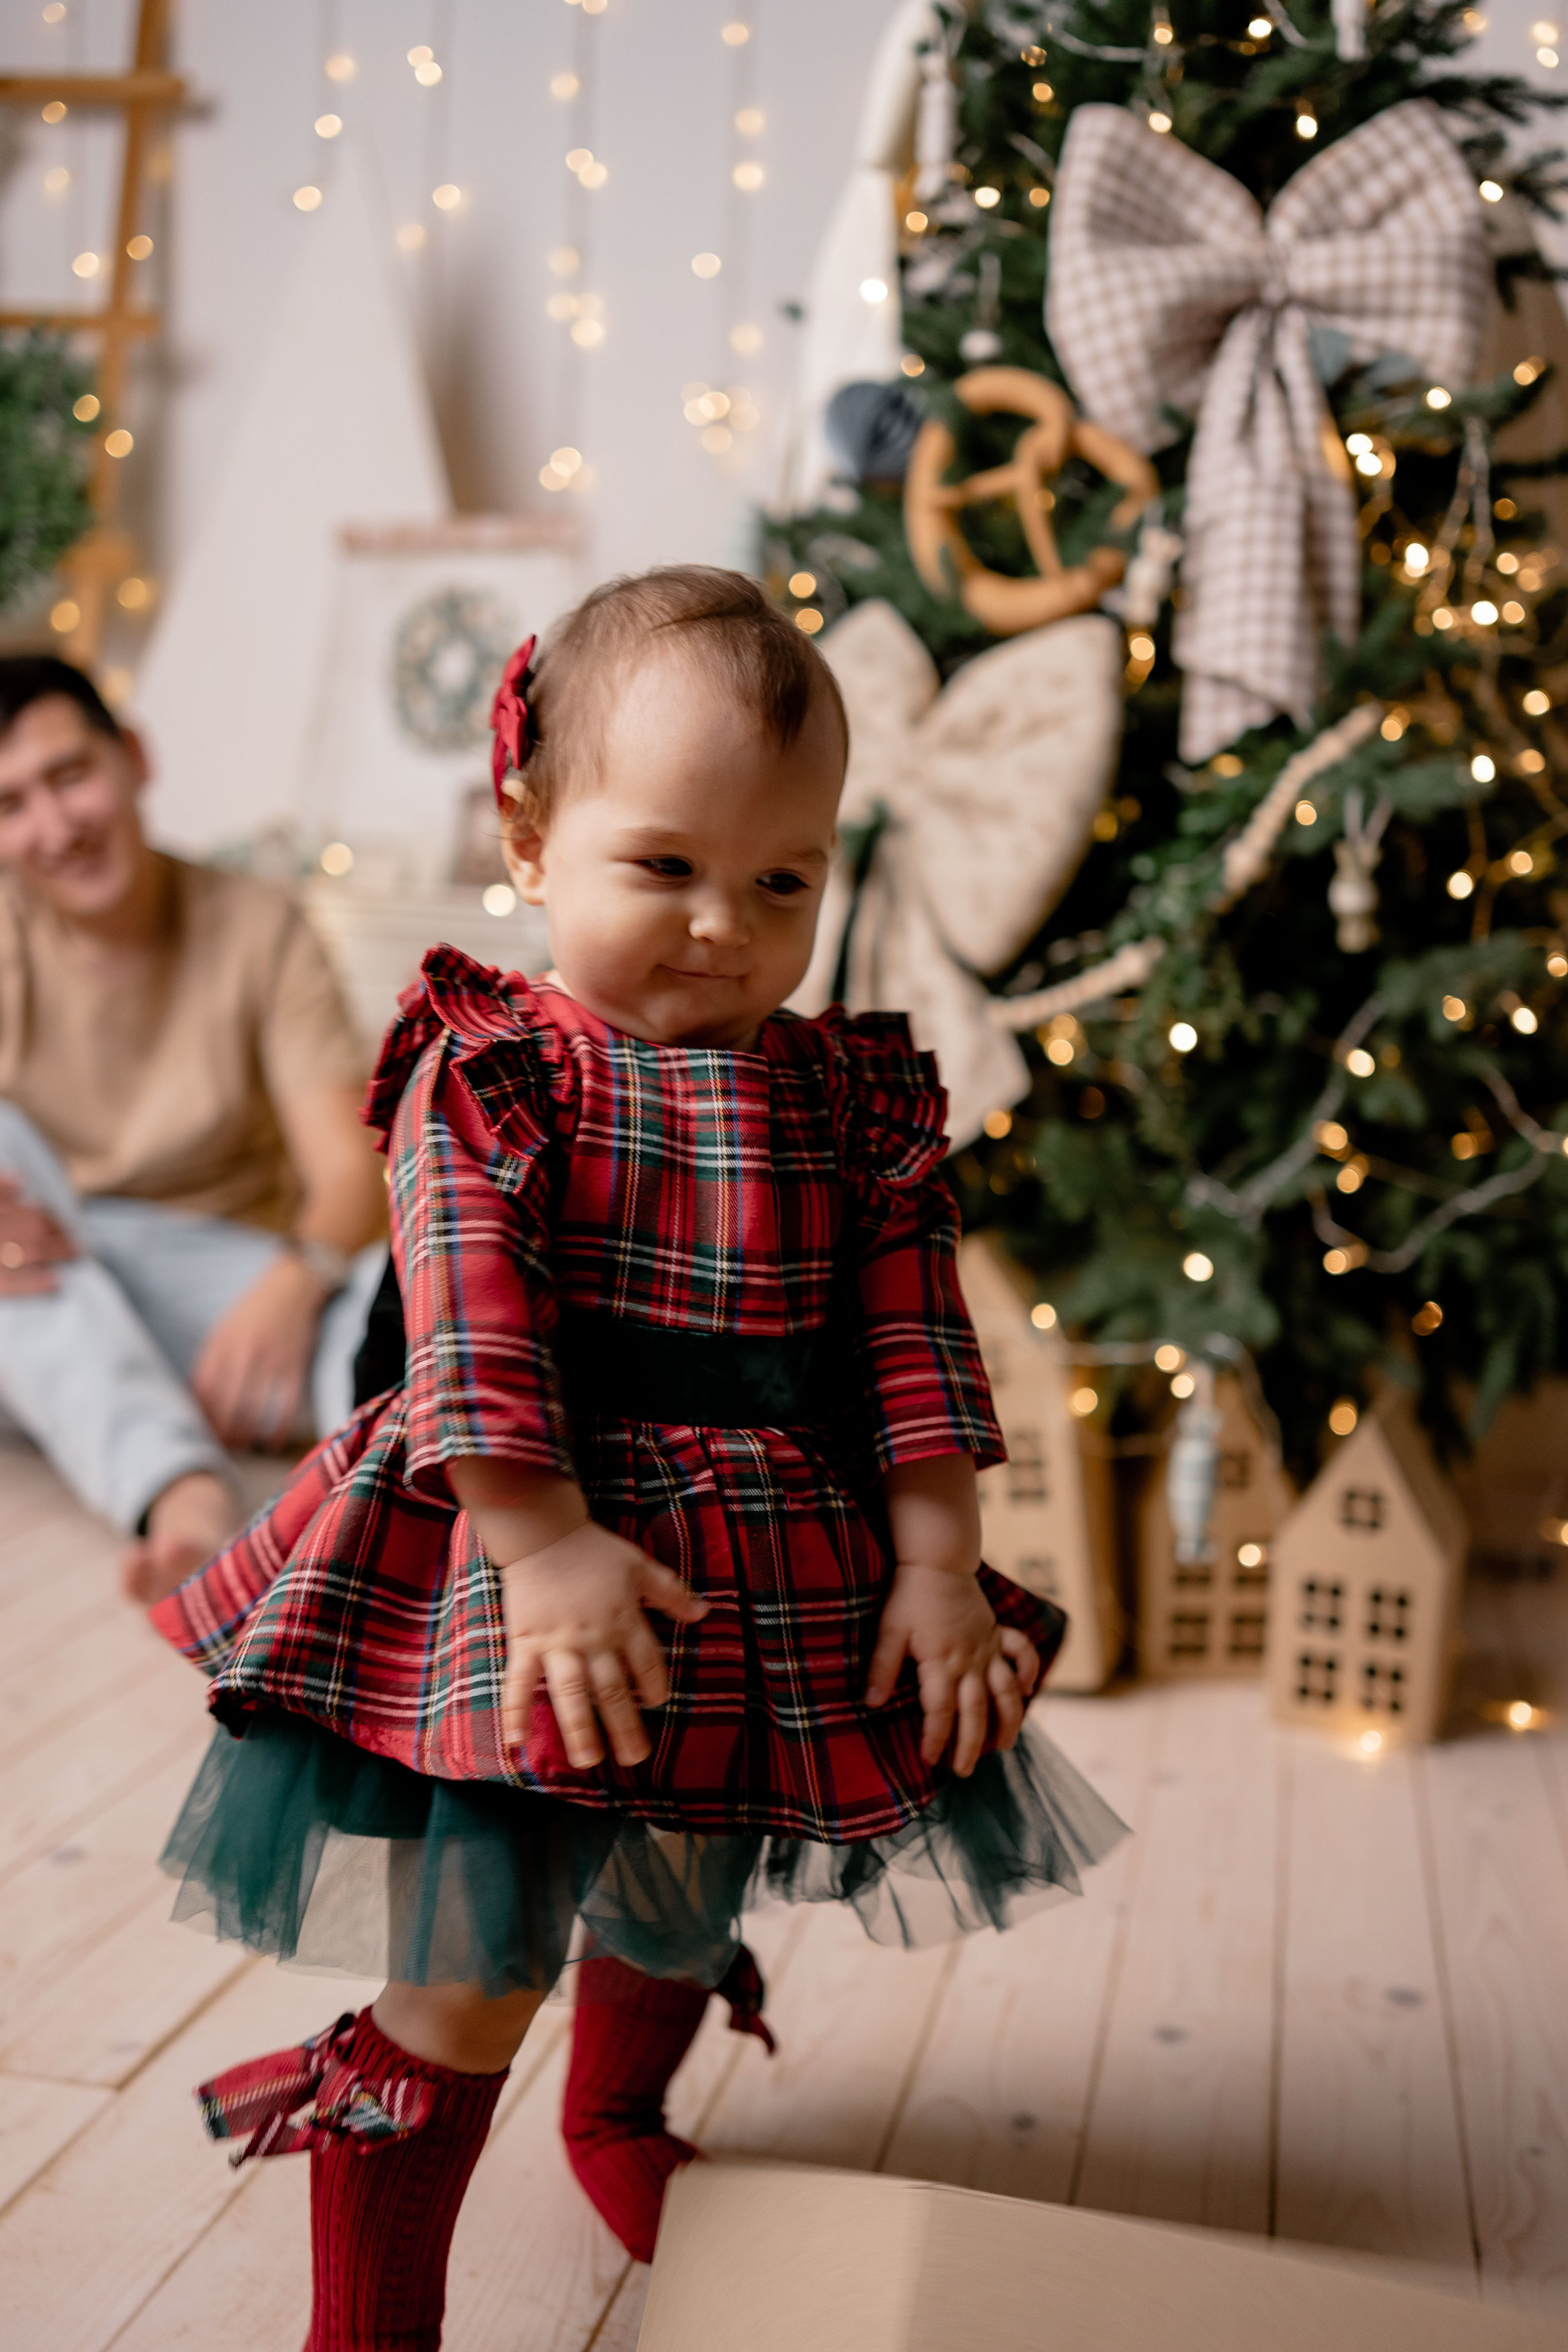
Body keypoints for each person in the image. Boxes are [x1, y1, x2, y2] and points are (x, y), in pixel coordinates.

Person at [151, 569, 1125, 2350]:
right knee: (479, 1956)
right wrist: (542, 1547)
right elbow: (470, 1325)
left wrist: (933, 1562)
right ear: (529, 837)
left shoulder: (853, 1100)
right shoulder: (502, 1067)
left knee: (693, 1860)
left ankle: (617, 2114)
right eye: (663, 866)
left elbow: (914, 1341)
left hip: (769, 1539)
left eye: (783, 880)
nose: (722, 928)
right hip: (531, 1542)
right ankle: (370, 2322)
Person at [0, 657, 387, 1602]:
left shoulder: (260, 928)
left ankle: (376, 1422)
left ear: (134, 757)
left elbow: (350, 1173)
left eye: (71, 776)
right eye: (10, 805)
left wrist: (297, 1282)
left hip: (239, 1289)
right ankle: (181, 1488)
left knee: (402, 1289)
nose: (56, 828)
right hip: (43, 1286)